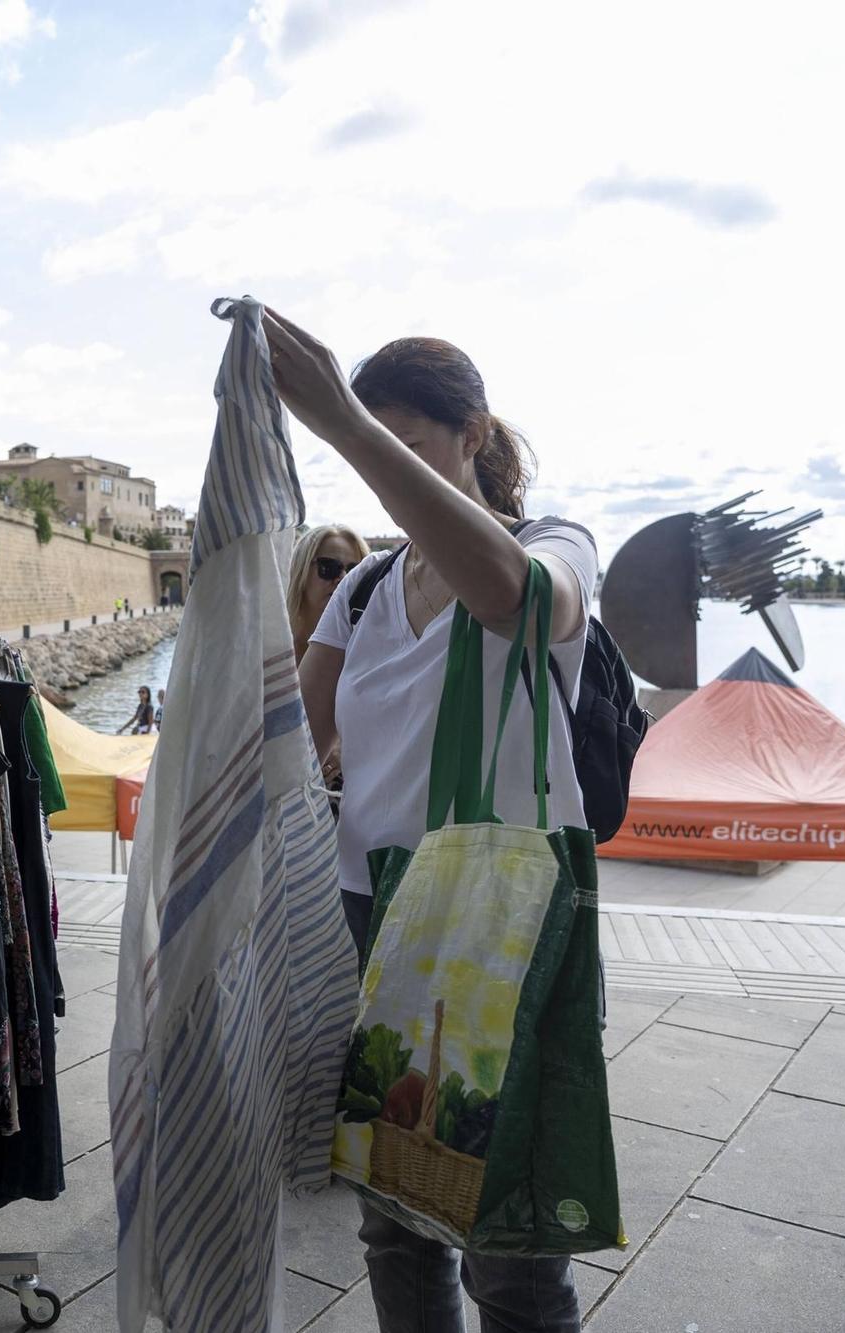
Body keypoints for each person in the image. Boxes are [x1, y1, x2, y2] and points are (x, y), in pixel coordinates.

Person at [274, 315, 597, 1333]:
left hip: (504, 924)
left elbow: (514, 600)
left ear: (473, 435)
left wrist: (339, 423)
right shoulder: (364, 587)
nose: (382, 477)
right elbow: (286, 732)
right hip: (370, 914)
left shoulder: (552, 544)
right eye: (372, 447)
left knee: (509, 1250)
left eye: (406, 448)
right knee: (395, 1220)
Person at [289, 524, 372, 664]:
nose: (344, 579)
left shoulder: (370, 655)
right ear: (301, 571)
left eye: (355, 572)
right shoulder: (273, 648)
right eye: (329, 567)